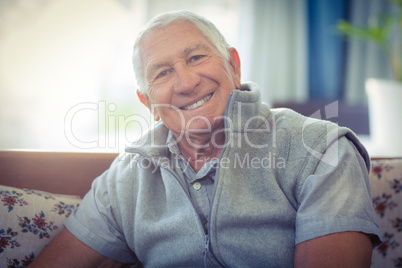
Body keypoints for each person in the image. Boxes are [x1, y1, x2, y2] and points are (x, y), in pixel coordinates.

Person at [31, 10, 381, 267]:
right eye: (163, 72)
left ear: (233, 65)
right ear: (148, 102)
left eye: (196, 57)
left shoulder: (322, 149)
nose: (185, 83)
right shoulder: (125, 178)